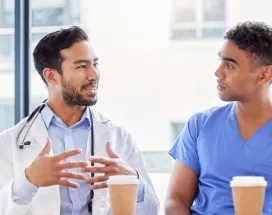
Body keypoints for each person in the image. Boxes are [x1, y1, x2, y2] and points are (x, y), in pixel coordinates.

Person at [0, 26, 159, 215]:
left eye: (95, 64)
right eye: (82, 66)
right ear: (51, 76)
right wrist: (29, 180)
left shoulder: (119, 138)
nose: (94, 75)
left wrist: (134, 181)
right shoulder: (9, 143)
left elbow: (151, 210)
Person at [165, 21, 272, 215]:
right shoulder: (200, 125)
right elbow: (176, 200)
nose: (218, 72)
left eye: (230, 65)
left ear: (264, 74)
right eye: (220, 62)